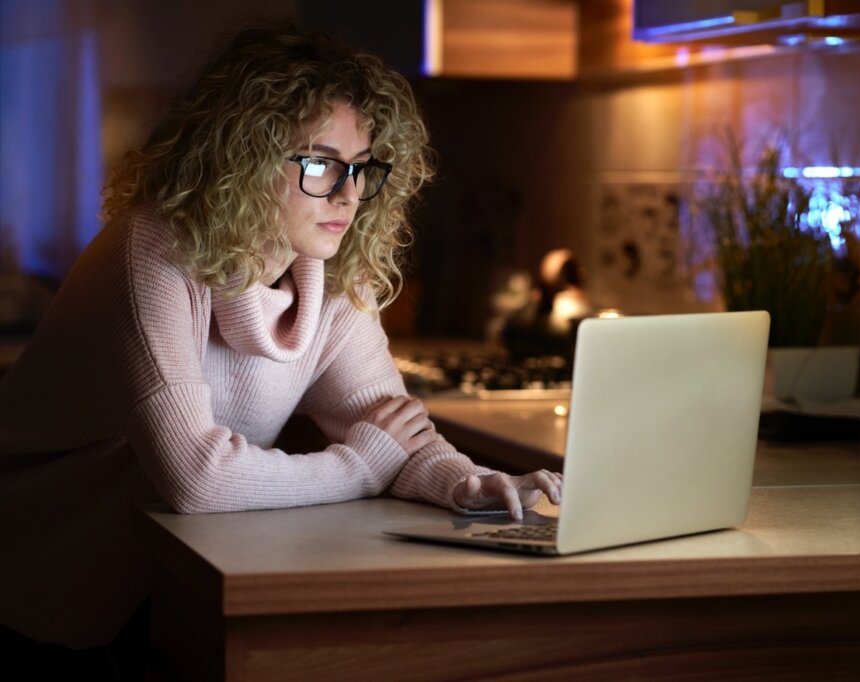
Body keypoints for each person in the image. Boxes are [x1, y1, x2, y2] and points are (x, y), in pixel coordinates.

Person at [0, 25, 562, 676]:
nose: (349, 195)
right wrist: (359, 465)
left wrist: (472, 484)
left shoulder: (330, 279)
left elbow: (391, 427)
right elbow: (198, 478)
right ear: (243, 159)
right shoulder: (151, 252)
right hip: (29, 579)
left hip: (139, 584)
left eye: (361, 168)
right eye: (322, 164)